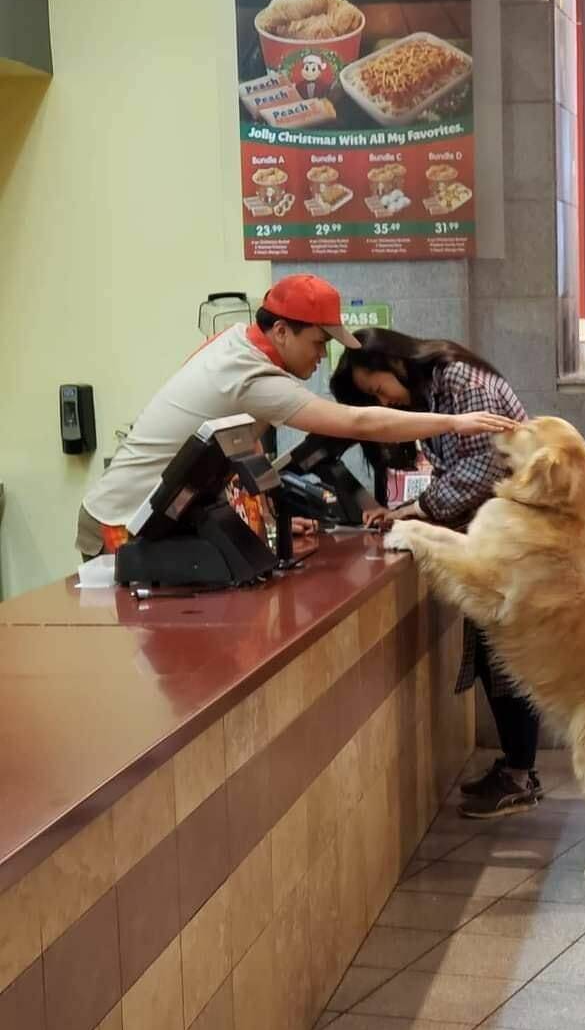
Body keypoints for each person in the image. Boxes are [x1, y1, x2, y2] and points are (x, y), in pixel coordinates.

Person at [77, 275, 514, 559]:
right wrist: (455, 422)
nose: (322, 356)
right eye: (318, 343)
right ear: (281, 331)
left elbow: (230, 460)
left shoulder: (237, 344)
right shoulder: (249, 374)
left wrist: (267, 518)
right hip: (123, 523)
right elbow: (360, 423)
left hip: (161, 518)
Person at [330, 327, 542, 820]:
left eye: (380, 390)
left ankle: (520, 774)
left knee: (505, 656)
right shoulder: (440, 387)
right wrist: (415, 510)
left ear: (396, 363)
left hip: (514, 537)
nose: (385, 400)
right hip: (498, 533)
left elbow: (487, 468)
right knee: (496, 654)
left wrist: (418, 510)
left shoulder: (458, 381)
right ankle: (516, 767)